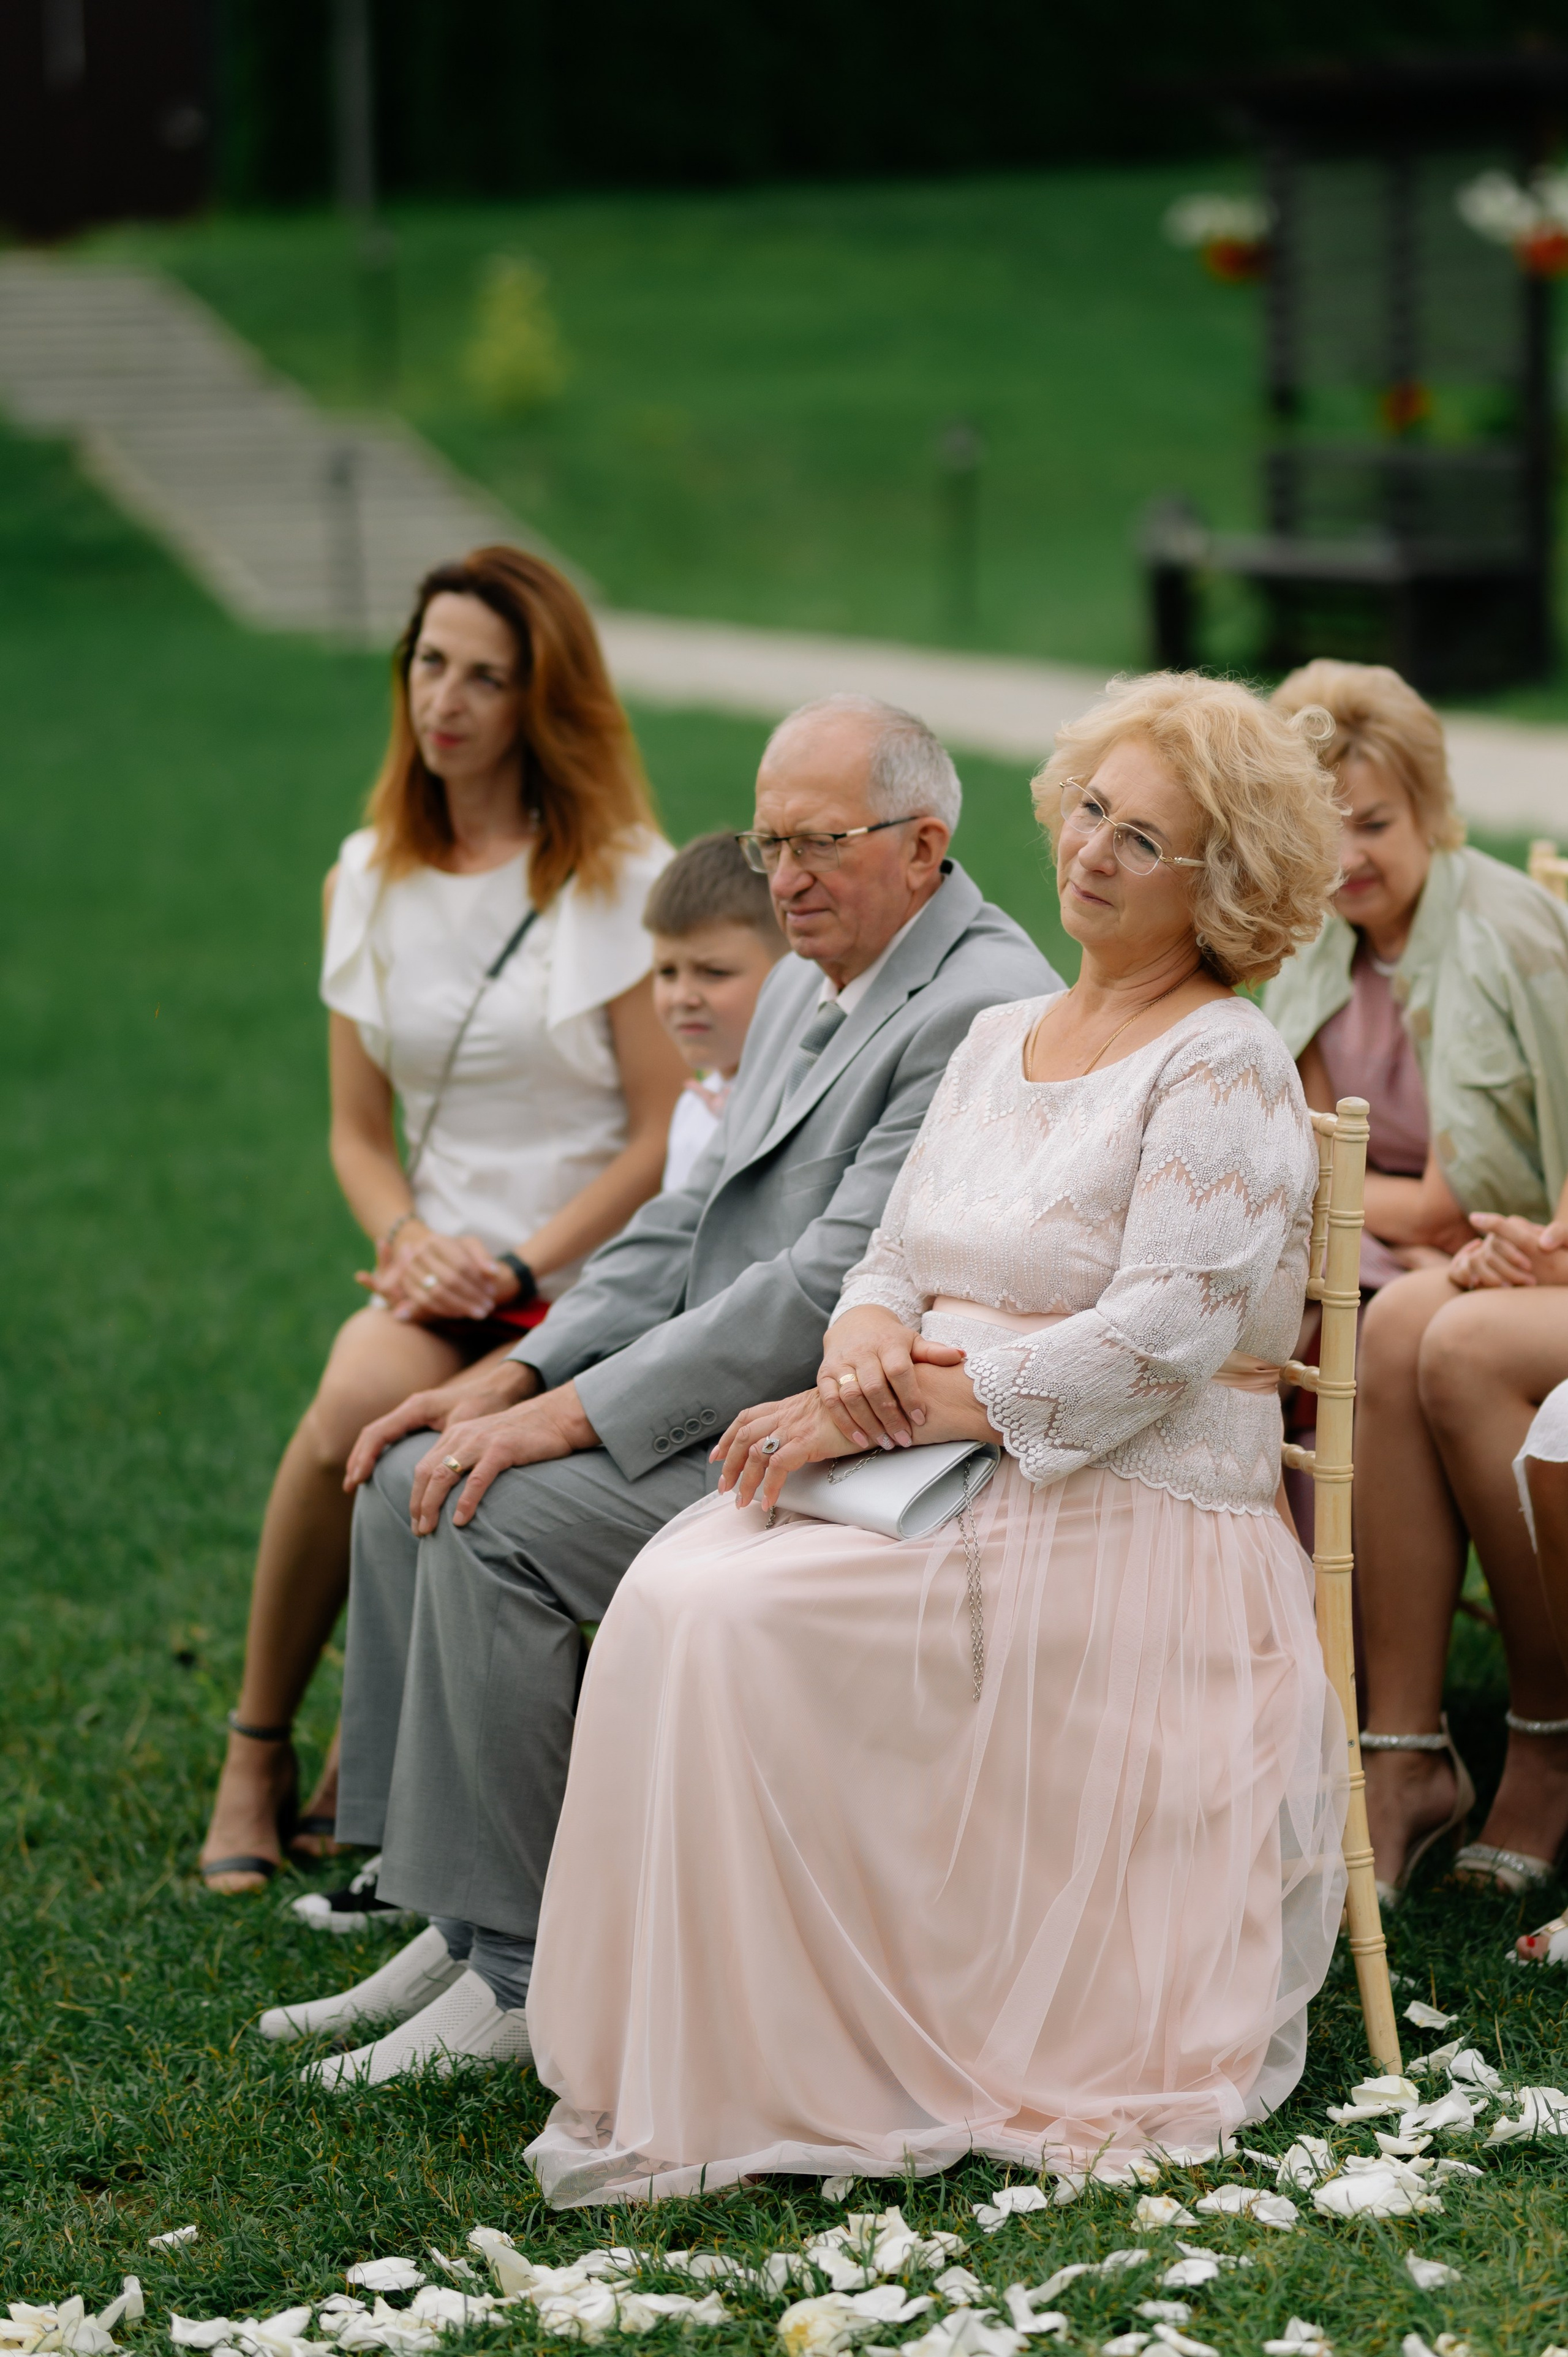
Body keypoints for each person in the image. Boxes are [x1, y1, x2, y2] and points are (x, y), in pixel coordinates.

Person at [521, 670, 1349, 2204]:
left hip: (1120, 1508)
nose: (1092, 850)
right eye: (1088, 809)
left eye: (1142, 840)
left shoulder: (1219, 1059)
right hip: (933, 1463)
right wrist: (860, 1349)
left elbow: (1163, 1338)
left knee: (735, 1620)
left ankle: (800, 2047)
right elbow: (886, 1262)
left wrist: (923, 1398)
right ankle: (712, 2038)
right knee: (675, 1588)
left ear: (1219, 885)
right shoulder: (1000, 1032)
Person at [252, 690, 1057, 2073]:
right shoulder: (822, 966)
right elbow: (693, 1215)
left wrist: (570, 1416)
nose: (781, 879)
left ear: (924, 847)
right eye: (767, 842)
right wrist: (517, 1367)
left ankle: (522, 1979)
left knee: (490, 1518)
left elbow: (819, 1285)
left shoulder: (976, 1003)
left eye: (819, 844)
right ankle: (456, 1910)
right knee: (405, 1471)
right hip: (740, 1387)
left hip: (852, 1434)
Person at [198, 546, 684, 1893]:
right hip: (443, 1265)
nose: (447, 701)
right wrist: (411, 1243)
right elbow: (358, 1129)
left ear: (545, 700)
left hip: (589, 1272)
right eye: (430, 664)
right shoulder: (366, 875)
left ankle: (381, 1759)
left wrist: (527, 1261)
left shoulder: (619, 880)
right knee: (353, 1404)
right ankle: (258, 1749)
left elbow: (659, 1137)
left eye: (487, 676)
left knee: (415, 1439)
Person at [1264, 665, 1568, 1904]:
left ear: (1430, 810)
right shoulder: (1312, 945)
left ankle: (1539, 1738)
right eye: (1318, 826)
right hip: (1412, 1261)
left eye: (1372, 823)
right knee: (1379, 1323)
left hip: (1500, 1244)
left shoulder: (1501, 934)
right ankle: (1393, 1754)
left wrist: (1525, 1242)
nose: (1344, 858)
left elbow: (1460, 1197)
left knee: (1415, 1330)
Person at [644, 832, 786, 1190]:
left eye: (714, 973)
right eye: (667, 972)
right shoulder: (694, 1106)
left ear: (793, 971)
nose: (682, 997)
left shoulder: (793, 1109)